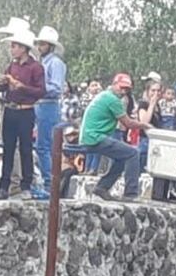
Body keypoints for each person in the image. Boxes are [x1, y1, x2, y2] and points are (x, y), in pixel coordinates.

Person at [80, 73, 151, 201]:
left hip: (89, 136)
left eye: (127, 89)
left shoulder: (104, 95)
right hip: (95, 137)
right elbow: (128, 123)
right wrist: (146, 126)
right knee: (133, 153)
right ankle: (131, 194)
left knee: (122, 157)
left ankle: (102, 187)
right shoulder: (112, 99)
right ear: (114, 84)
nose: (123, 91)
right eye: (121, 87)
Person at [0, 29, 45, 200]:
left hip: (25, 111)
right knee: (7, 149)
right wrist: (2, 84)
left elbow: (40, 91)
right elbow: (2, 90)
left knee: (25, 149)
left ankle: (26, 185)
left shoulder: (36, 68)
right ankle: (4, 186)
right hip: (10, 109)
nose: (12, 49)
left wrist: (21, 87)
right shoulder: (12, 65)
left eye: (14, 46)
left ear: (24, 48)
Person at [34, 25, 66, 198]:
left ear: (50, 46)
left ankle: (50, 182)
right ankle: (47, 180)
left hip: (48, 104)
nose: (40, 47)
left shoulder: (55, 63)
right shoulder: (43, 63)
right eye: (39, 44)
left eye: (43, 44)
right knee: (41, 145)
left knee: (45, 145)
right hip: (40, 103)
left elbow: (56, 87)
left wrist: (37, 89)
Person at [135, 79, 162, 167]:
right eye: (153, 90)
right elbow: (144, 122)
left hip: (156, 140)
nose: (156, 93)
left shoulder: (158, 106)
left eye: (158, 91)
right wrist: (151, 105)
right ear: (147, 91)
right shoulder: (143, 104)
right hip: (145, 141)